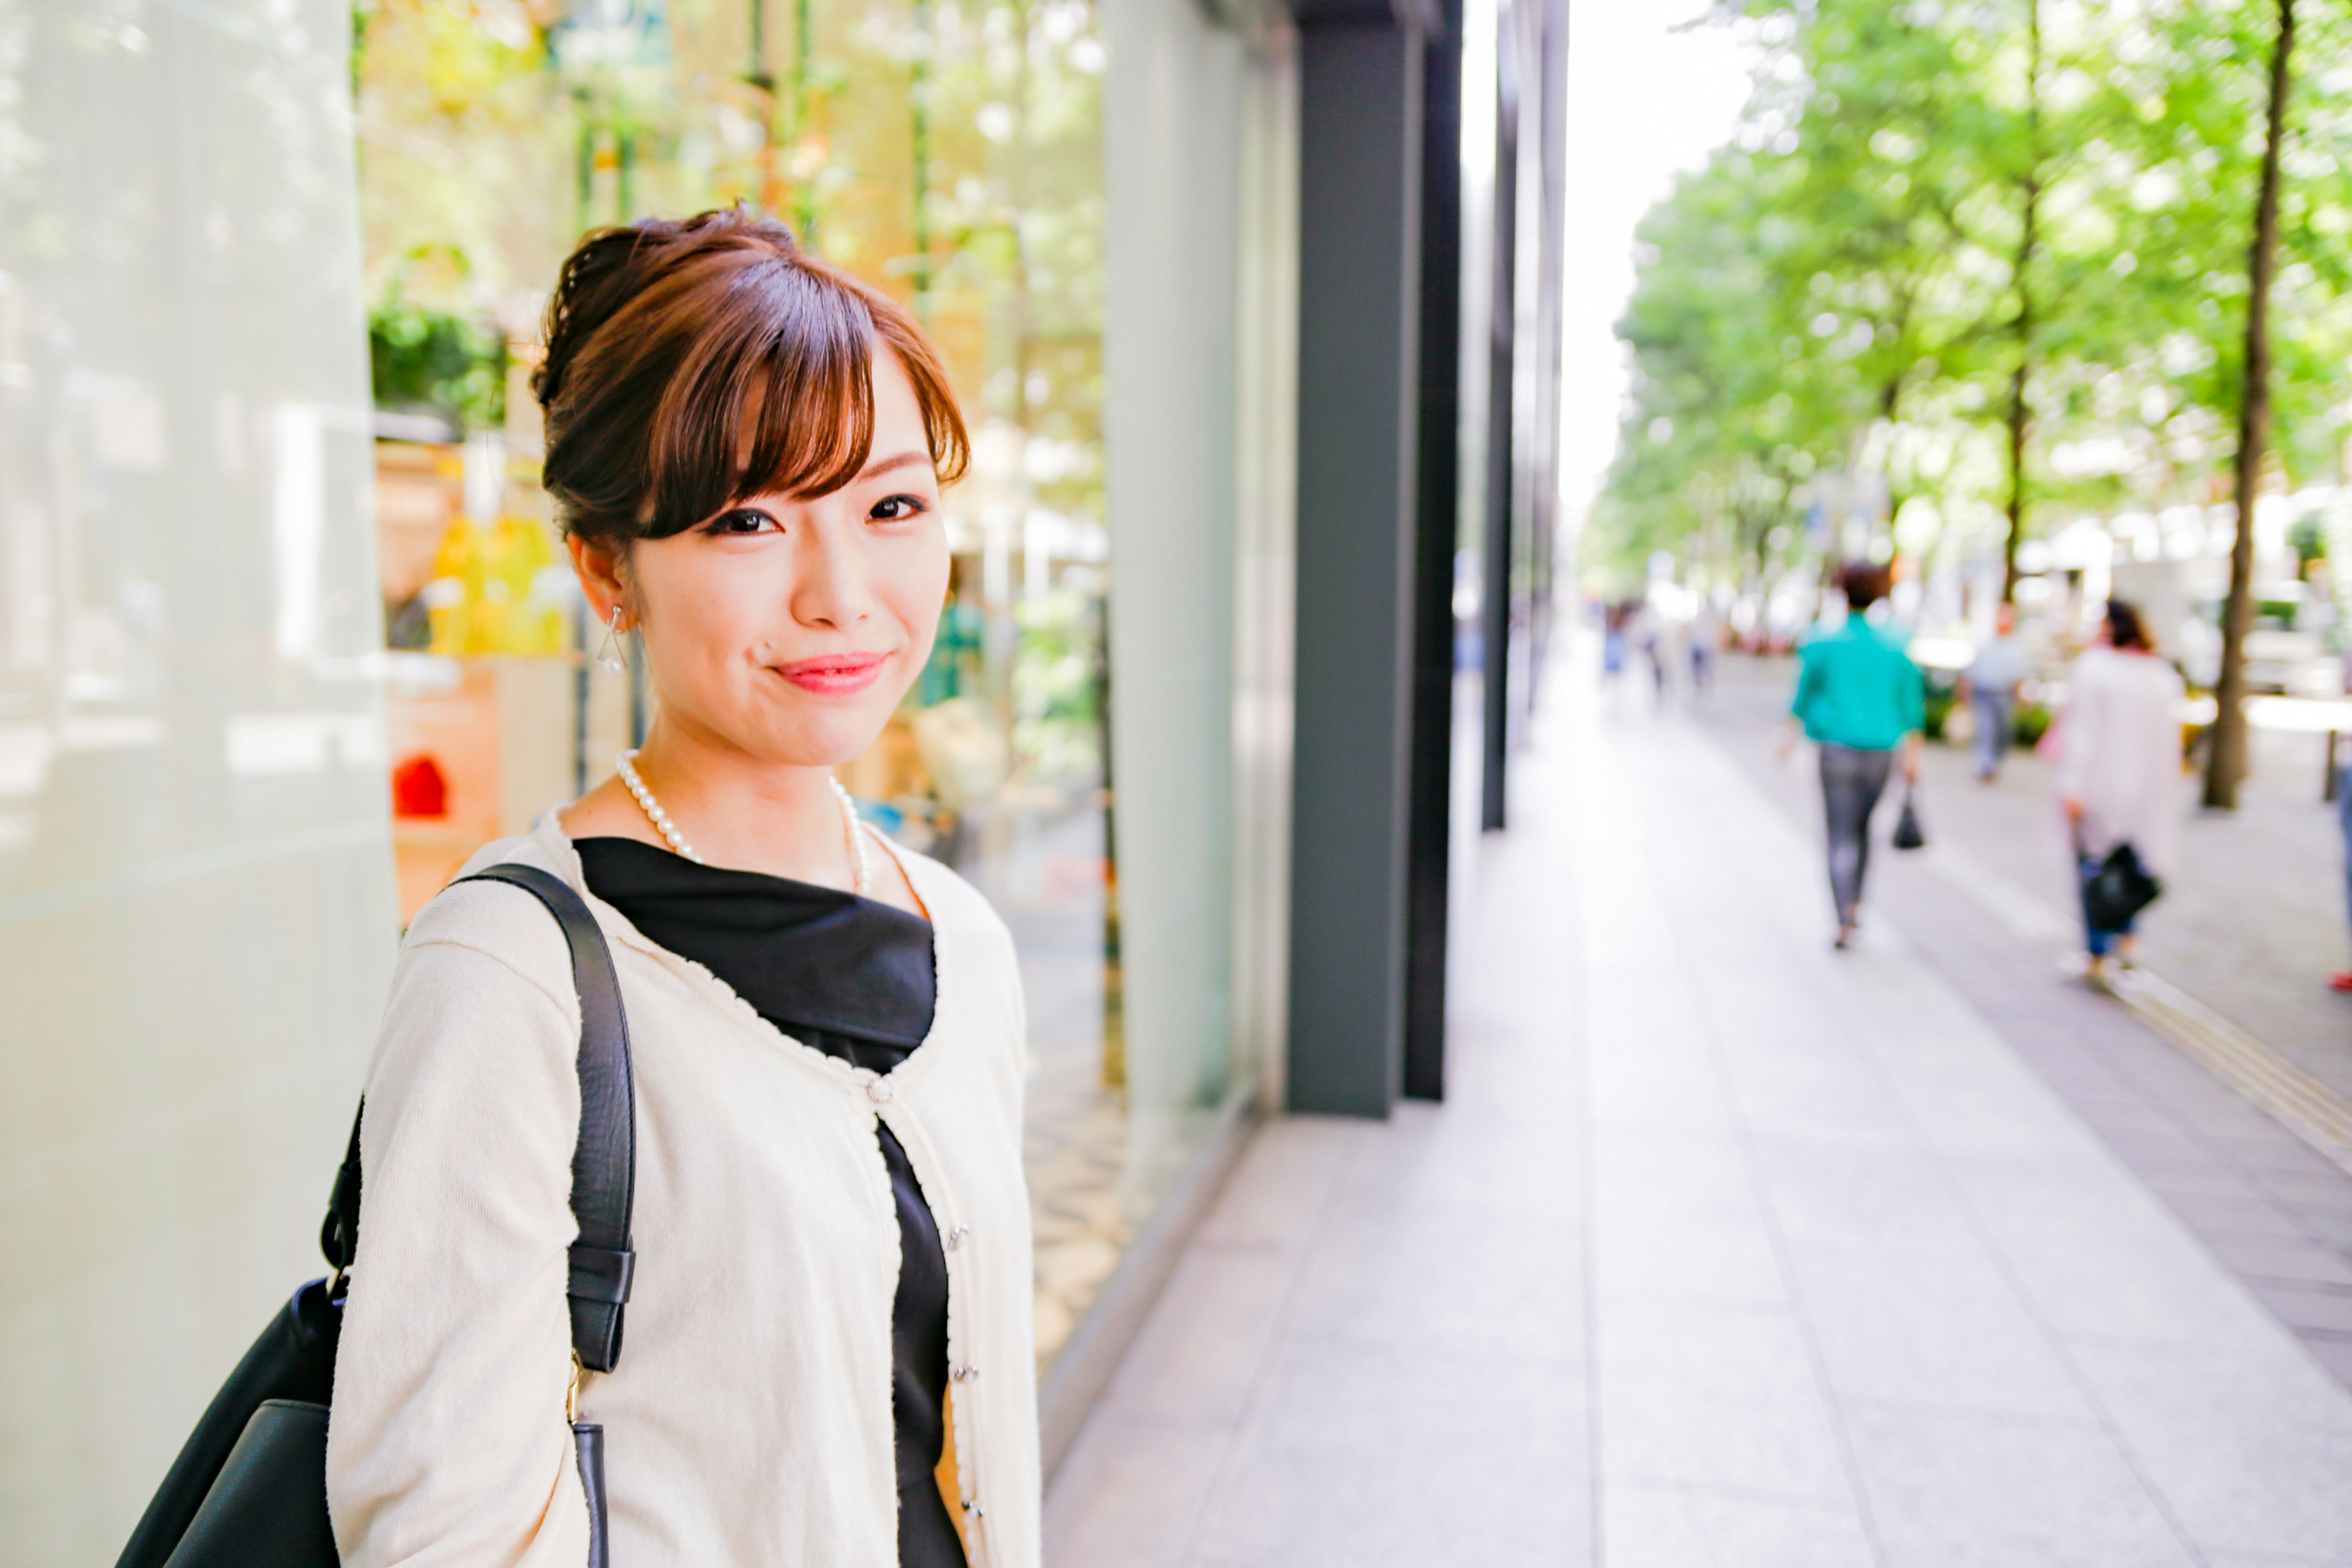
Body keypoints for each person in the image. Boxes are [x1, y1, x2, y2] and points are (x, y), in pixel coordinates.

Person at [328, 211, 1040, 1567]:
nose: (843, 595)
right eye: (747, 519)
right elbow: (440, 1533)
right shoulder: (517, 972)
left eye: (891, 506)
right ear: (608, 568)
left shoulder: (967, 942)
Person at [1788, 562, 1925, 949]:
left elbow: (1803, 693)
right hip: (1882, 750)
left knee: (1838, 831)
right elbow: (1911, 703)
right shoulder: (1896, 643)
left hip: (1835, 749)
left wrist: (1788, 734)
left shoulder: (1823, 640)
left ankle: (1842, 914)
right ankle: (1857, 904)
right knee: (1863, 828)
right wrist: (1915, 752)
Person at [2056, 598, 2185, 981]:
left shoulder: (2095, 668)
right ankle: (2128, 938)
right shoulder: (2162, 674)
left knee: (2095, 869)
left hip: (2099, 784)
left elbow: (2082, 732)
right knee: (2129, 865)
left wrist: (2072, 785)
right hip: (2146, 790)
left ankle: (2096, 951)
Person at [1964, 599, 2032, 782]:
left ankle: (1995, 762)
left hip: (2004, 694)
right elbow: (1972, 670)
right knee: (1986, 729)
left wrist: (2021, 697)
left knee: (2003, 732)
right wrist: (1965, 692)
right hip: (1984, 692)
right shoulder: (1985, 642)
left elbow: (2021, 674)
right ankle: (1985, 764)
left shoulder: (2017, 646)